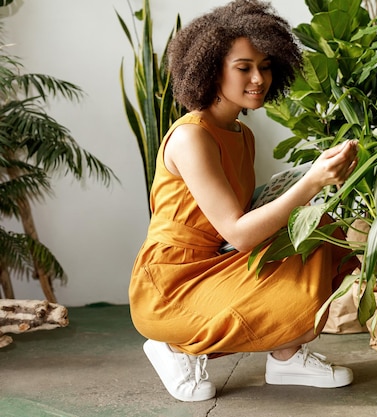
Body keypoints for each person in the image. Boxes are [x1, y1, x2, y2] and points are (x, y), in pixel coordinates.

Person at [128, 0, 360, 403]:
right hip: (172, 284)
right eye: (244, 67)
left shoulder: (241, 134)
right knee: (301, 276)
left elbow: (237, 226)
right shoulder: (192, 137)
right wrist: (310, 181)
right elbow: (238, 232)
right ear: (210, 68)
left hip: (218, 261)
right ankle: (173, 344)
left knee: (324, 237)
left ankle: (285, 357)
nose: (259, 78)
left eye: (266, 66)